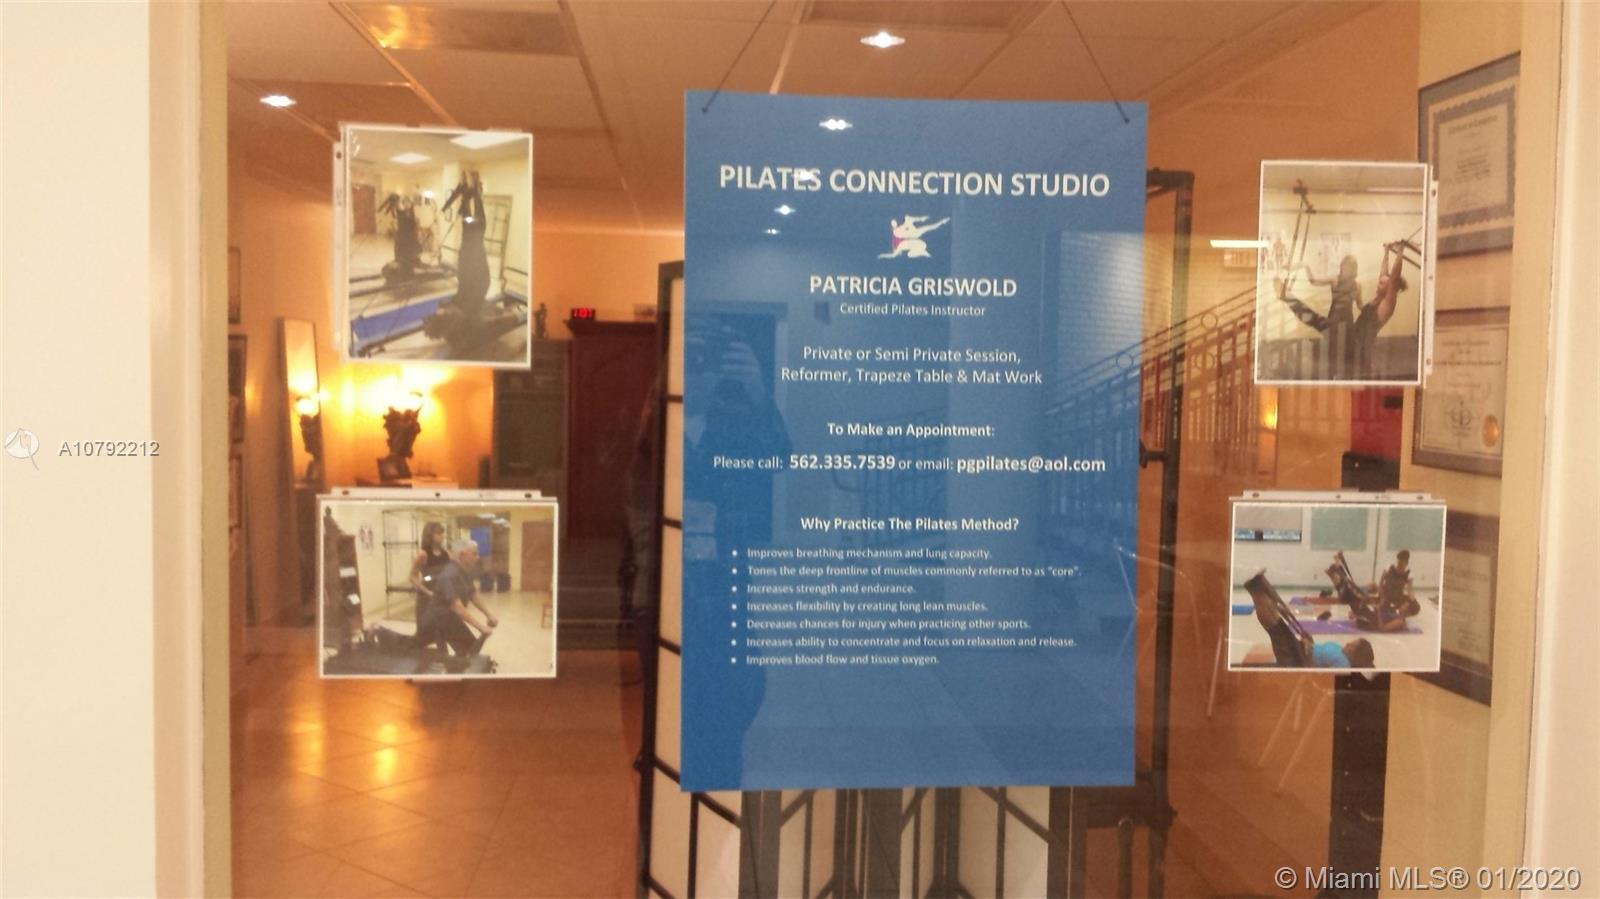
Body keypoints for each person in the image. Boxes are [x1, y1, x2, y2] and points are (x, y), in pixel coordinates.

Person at [1245, 570, 1376, 668]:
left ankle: (1256, 590)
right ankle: (1256, 589)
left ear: (1356, 656)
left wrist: (1308, 653)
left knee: (1276, 628)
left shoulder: (1343, 664)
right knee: (1278, 624)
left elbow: (1321, 678)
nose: (1347, 644)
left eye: (1351, 646)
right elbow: (1320, 656)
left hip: (1297, 661)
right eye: (1351, 643)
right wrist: (1310, 642)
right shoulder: (1341, 652)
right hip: (1300, 652)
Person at [414, 538, 499, 664]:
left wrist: (488, 614)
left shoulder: (465, 571)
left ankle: (455, 666)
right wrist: (480, 627)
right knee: (415, 646)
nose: (478, 557)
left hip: (448, 617)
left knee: (469, 648)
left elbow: (473, 594)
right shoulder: (450, 574)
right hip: (436, 620)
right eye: (474, 554)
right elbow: (456, 606)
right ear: (462, 555)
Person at [441, 169, 490, 317]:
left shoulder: (473, 198)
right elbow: (456, 195)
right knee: (469, 274)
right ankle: (465, 300)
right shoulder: (469, 195)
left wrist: (464, 216)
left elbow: (476, 219)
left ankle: (469, 301)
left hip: (472, 244)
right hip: (470, 244)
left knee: (473, 274)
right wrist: (446, 208)